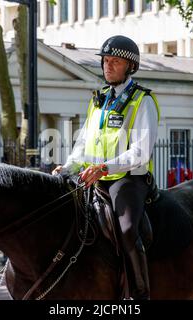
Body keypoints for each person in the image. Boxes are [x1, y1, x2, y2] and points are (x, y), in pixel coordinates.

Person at [52, 35, 160, 300]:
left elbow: (140, 152)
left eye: (115, 62)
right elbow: (84, 142)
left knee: (126, 229)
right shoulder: (98, 99)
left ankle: (140, 292)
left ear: (130, 67)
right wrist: (67, 167)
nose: (108, 66)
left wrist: (104, 168)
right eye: (105, 61)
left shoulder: (142, 100)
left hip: (128, 179)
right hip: (93, 176)